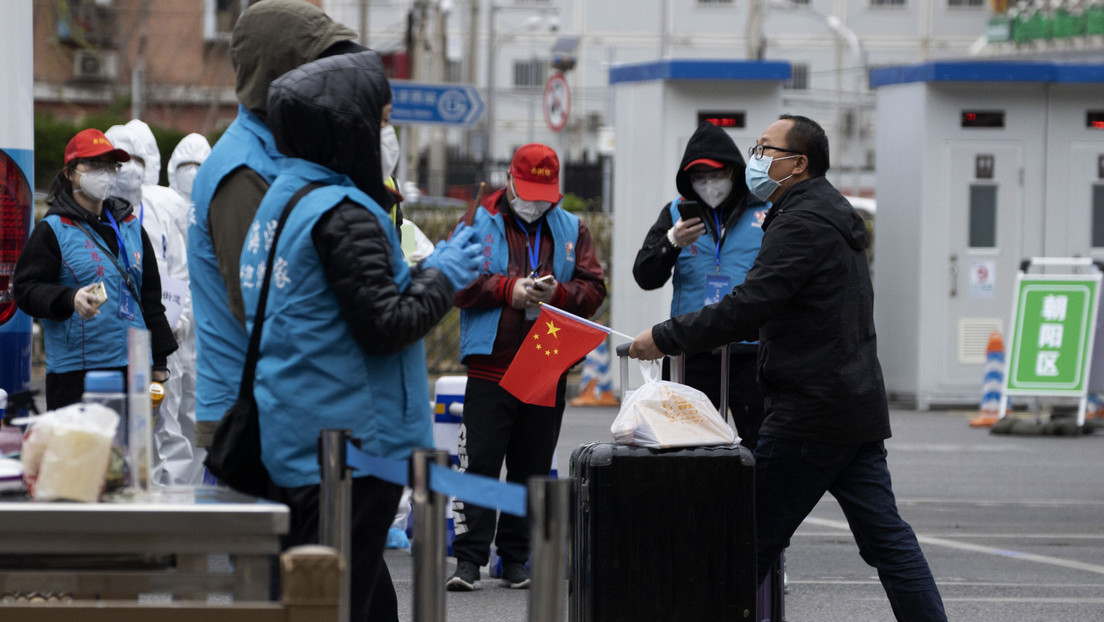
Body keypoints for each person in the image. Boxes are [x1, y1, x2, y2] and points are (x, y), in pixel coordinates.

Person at [628, 115, 947, 622]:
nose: (755, 158)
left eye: (764, 149)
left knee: (744, 541)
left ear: (797, 164)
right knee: (887, 542)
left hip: (810, 411)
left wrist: (664, 337)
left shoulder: (800, 223)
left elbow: (751, 303)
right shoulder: (827, 211)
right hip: (852, 405)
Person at [241, 50, 483, 622]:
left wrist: (426, 272)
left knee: (352, 593)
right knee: (342, 596)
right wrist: (444, 276)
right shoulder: (345, 212)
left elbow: (341, 308)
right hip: (351, 444)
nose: (388, 135)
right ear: (345, 125)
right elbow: (386, 325)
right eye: (380, 120)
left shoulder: (286, 197)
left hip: (303, 429)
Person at [188, 0, 362, 453]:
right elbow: (263, 307)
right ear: (281, 76)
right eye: (318, 69)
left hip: (288, 407)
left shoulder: (285, 153)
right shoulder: (244, 171)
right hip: (250, 420)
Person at [447, 143, 607, 592]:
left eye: (545, 192)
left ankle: (515, 559)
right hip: (490, 365)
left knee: (531, 466)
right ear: (510, 180)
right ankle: (468, 561)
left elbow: (594, 289)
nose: (536, 201)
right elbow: (455, 280)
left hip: (546, 361)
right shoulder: (479, 219)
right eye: (529, 189)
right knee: (479, 464)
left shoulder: (572, 227)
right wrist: (507, 290)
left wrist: (556, 295)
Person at [13, 129, 176, 409]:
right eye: (94, 165)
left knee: (132, 452)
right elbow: (25, 289)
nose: (104, 173)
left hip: (135, 367)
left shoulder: (131, 226)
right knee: (81, 452)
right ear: (70, 172)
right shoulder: (53, 230)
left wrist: (159, 365)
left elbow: (150, 299)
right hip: (77, 373)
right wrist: (69, 298)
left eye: (110, 166)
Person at [633, 121, 768, 450]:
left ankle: (755, 503)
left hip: (752, 351)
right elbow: (645, 276)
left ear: (734, 171)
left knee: (764, 446)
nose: (709, 184)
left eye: (716, 175)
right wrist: (671, 241)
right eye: (699, 177)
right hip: (691, 351)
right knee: (687, 447)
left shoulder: (765, 211)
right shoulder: (676, 213)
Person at [104, 124, 202, 486]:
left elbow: (183, 268)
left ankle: (173, 501)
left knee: (166, 419)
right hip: (114, 337)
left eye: (138, 160)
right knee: (118, 420)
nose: (129, 168)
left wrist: (179, 320)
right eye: (120, 160)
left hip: (163, 338)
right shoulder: (94, 214)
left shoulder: (166, 209)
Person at [167, 133, 211, 204]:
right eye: (186, 166)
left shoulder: (212, 207)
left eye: (198, 166)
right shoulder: (162, 204)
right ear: (174, 169)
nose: (192, 172)